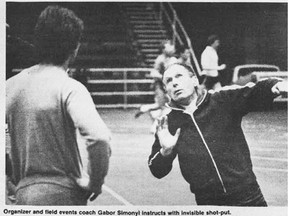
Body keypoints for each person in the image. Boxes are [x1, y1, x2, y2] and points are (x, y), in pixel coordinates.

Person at [6, 5, 111, 205]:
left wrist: (10, 173)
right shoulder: (70, 87)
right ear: (75, 49)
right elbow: (99, 138)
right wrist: (95, 183)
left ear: (37, 40)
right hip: (64, 194)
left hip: (23, 194)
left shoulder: (9, 87)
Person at [148, 63, 287, 206]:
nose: (175, 83)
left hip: (248, 196)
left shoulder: (221, 100)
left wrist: (276, 85)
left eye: (179, 76)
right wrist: (165, 152)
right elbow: (156, 170)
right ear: (166, 90)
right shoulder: (167, 123)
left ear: (194, 80)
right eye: (169, 81)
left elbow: (255, 91)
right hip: (209, 203)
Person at [135, 40, 177, 133]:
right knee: (163, 106)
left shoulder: (171, 59)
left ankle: (145, 108)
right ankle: (155, 126)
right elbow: (153, 72)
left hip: (166, 85)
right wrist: (163, 77)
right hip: (159, 86)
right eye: (168, 47)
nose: (171, 48)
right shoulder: (160, 59)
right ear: (163, 49)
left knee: (163, 106)